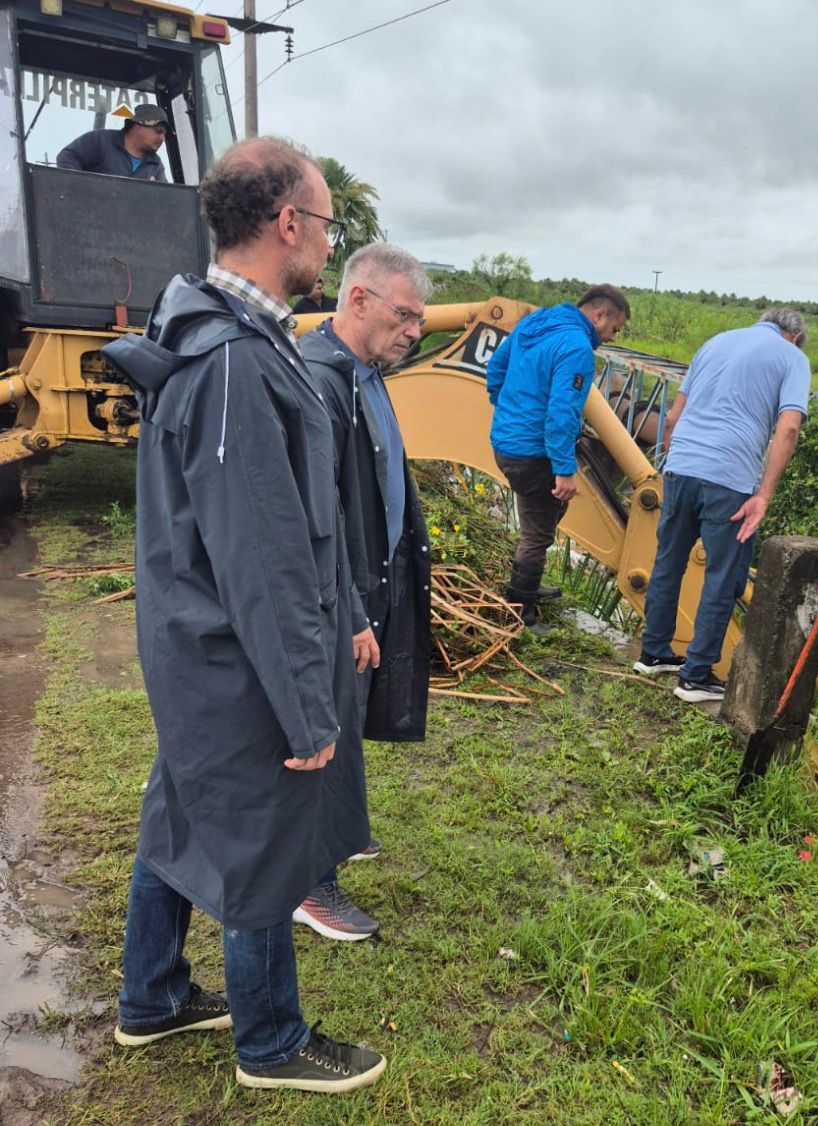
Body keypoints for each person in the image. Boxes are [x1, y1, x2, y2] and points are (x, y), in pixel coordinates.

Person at [101, 137, 385, 1093]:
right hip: (233, 656)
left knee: (180, 812)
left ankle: (152, 998)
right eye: (326, 222)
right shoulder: (234, 360)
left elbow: (292, 527)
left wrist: (342, 611)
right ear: (288, 224)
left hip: (203, 649)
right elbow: (260, 555)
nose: (327, 242)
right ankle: (271, 1044)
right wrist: (309, 707)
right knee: (265, 834)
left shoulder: (227, 335)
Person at [298, 243, 433, 940]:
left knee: (345, 724)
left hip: (368, 586)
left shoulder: (366, 373)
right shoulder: (318, 379)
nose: (414, 330)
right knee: (316, 730)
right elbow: (317, 517)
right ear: (357, 300)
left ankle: (339, 831)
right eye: (404, 315)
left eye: (419, 318)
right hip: (332, 599)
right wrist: (349, 609)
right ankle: (308, 882)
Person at [634, 308, 811, 702]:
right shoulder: (792, 358)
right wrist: (763, 494)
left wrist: (677, 463)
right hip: (729, 478)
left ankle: (654, 653)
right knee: (723, 574)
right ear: (795, 336)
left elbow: (674, 417)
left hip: (681, 468)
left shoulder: (714, 343)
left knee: (668, 561)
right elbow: (789, 427)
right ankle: (695, 676)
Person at [485, 284, 630, 624]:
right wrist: (565, 470)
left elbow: (496, 370)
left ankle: (526, 585)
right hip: (534, 453)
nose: (612, 336)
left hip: (506, 443)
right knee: (538, 535)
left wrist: (507, 408)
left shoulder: (534, 324)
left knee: (539, 519)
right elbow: (562, 412)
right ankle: (521, 611)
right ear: (600, 315)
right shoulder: (577, 347)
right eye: (614, 329)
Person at [56, 103, 170, 182]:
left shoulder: (155, 165)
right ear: (138, 125)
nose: (162, 138)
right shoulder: (100, 141)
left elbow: (164, 198)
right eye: (158, 131)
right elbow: (67, 157)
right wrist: (83, 187)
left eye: (165, 134)